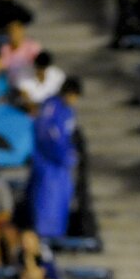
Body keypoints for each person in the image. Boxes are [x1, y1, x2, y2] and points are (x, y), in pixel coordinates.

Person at [30, 78, 82, 239]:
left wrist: (70, 153)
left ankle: (58, 234)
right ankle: (44, 235)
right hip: (48, 163)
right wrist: (62, 155)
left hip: (61, 167)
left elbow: (67, 136)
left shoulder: (69, 111)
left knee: (62, 201)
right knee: (47, 201)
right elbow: (47, 136)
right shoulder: (51, 107)